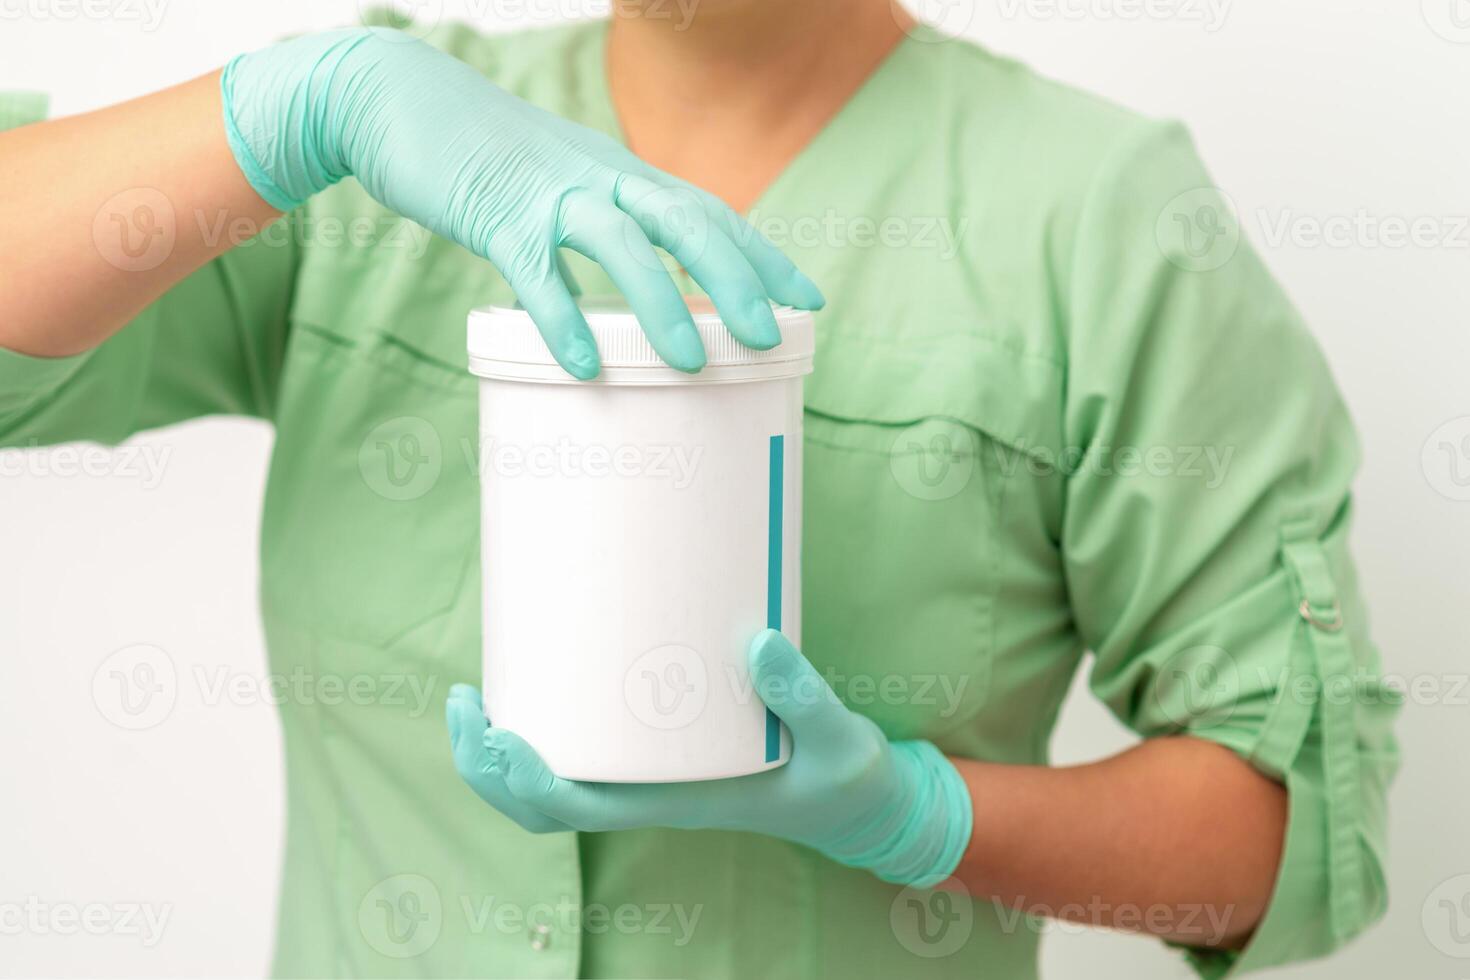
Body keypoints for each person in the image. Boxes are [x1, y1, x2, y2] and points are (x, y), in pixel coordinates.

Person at [0, 1, 1398, 976]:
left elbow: (1273, 847)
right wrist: (300, 104)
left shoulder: (1103, 222)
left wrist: (918, 817)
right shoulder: (381, 157)